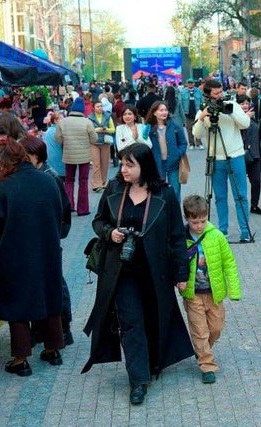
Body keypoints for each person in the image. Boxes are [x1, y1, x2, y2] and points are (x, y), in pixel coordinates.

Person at [82, 143, 194, 405]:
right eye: (122, 164)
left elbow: (177, 237)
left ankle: (153, 362)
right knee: (131, 322)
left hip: (156, 272)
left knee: (154, 318)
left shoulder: (165, 193)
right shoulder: (114, 188)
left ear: (145, 166)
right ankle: (138, 380)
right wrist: (109, 232)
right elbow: (98, 221)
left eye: (129, 165)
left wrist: (181, 273)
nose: (123, 169)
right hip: (122, 271)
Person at [0, 139, 67, 376]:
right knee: (49, 295)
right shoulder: (47, 180)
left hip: (15, 251)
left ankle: (20, 359)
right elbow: (61, 212)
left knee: (17, 302)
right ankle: (53, 348)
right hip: (47, 248)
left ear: (4, 162)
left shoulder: (4, 185)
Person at [180, 195, 241, 384]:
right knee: (200, 330)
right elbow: (174, 262)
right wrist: (178, 279)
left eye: (203, 221)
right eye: (194, 222)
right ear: (186, 218)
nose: (199, 226)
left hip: (214, 293)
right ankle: (207, 365)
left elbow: (229, 263)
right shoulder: (181, 238)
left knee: (215, 328)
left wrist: (234, 290)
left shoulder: (217, 236)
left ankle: (202, 350)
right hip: (193, 294)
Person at [19, 136, 73, 344]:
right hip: (34, 240)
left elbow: (63, 211)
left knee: (56, 284)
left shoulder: (50, 177)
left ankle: (64, 328)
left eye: (26, 155)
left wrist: (54, 233)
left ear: (37, 155)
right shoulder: (29, 176)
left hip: (48, 240)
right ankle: (41, 329)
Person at [193, 79, 252, 242]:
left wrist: (230, 111)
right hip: (215, 158)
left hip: (235, 156)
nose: (220, 95)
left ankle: (245, 231)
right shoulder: (203, 110)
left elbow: (246, 123)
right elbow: (197, 134)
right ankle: (222, 230)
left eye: (221, 91)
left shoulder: (232, 105)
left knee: (241, 195)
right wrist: (202, 117)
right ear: (208, 95)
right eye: (216, 93)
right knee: (220, 197)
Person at [55, 97, 97, 216]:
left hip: (69, 155)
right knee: (83, 180)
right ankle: (83, 209)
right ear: (83, 109)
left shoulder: (62, 122)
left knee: (69, 180)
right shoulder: (87, 122)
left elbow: (58, 139)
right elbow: (94, 139)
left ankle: (69, 206)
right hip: (84, 155)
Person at [144, 101, 188, 202]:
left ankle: (175, 210)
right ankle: (162, 210)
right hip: (157, 164)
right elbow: (144, 144)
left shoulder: (174, 126)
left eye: (165, 110)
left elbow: (183, 143)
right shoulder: (148, 128)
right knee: (159, 191)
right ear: (154, 112)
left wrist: (178, 153)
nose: (164, 112)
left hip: (173, 163)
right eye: (161, 110)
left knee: (175, 191)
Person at [237, 95, 261, 215]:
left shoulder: (253, 117)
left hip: (255, 154)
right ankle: (241, 205)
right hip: (240, 154)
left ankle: (254, 205)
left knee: (256, 181)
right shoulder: (236, 118)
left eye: (247, 103)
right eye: (242, 103)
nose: (245, 106)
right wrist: (244, 117)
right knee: (240, 183)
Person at [88, 100, 116, 192]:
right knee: (96, 164)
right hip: (94, 143)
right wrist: (97, 130)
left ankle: (103, 182)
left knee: (105, 163)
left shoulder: (108, 116)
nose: (100, 108)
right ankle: (96, 184)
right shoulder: (89, 118)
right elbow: (88, 130)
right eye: (98, 106)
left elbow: (113, 129)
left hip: (105, 142)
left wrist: (106, 129)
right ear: (94, 108)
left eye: (101, 106)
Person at [180, 79, 204, 149]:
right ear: (186, 84)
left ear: (194, 83)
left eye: (191, 83)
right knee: (189, 129)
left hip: (197, 112)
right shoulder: (182, 92)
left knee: (198, 128)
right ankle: (191, 144)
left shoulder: (198, 91)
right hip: (187, 113)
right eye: (189, 83)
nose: (190, 84)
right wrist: (182, 113)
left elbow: (202, 101)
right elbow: (180, 103)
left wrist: (202, 110)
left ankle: (199, 143)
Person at [43, 111, 66, 180]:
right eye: (61, 119)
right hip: (59, 162)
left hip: (49, 162)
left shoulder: (48, 131)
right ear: (55, 121)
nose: (63, 121)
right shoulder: (59, 131)